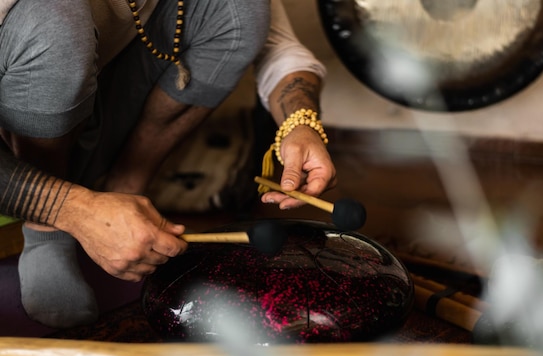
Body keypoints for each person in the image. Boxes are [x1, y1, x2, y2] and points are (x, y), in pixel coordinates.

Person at [0, 0, 336, 328]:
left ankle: (125, 190)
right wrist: (72, 209)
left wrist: (299, 123)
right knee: (53, 16)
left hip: (97, 98)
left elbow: (277, 46)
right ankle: (46, 232)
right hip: (13, 139)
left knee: (240, 8)